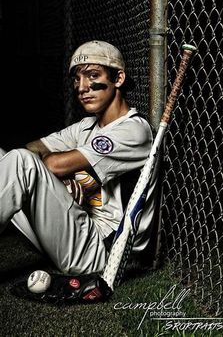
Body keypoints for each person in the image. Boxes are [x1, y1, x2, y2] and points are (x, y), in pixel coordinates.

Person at [0, 40, 154, 276]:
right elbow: (34, 147)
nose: (82, 88)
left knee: (22, 163)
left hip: (100, 251)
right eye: (77, 79)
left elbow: (50, 163)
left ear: (118, 79)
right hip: (71, 232)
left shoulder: (133, 130)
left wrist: (60, 173)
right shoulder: (86, 126)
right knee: (7, 157)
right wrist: (60, 181)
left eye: (93, 76)